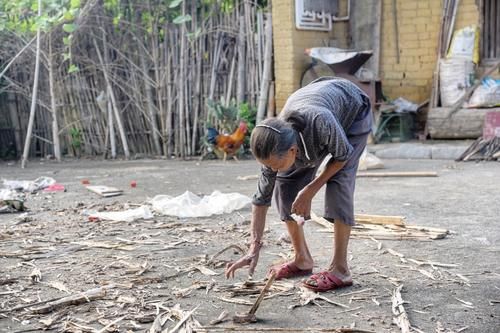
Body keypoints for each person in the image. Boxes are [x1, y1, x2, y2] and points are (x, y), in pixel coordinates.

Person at [225, 77, 373, 292]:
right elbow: (261, 199)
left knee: (338, 181)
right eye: (268, 166)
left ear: (294, 151)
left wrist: (310, 189)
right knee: (283, 185)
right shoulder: (275, 142)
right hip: (318, 106)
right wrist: (253, 249)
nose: (271, 169)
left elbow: (342, 156)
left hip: (353, 108)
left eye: (275, 164)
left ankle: (340, 270)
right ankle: (302, 259)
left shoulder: (321, 121)